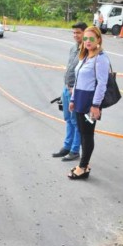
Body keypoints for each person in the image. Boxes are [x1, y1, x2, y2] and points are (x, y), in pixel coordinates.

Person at [67, 26, 109, 180]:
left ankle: (83, 166)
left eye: (92, 38)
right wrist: (73, 99)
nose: (88, 41)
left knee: (87, 135)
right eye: (86, 38)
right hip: (79, 99)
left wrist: (96, 105)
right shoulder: (85, 56)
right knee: (82, 132)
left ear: (98, 39)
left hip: (90, 102)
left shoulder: (101, 58)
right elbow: (78, 80)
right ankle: (85, 164)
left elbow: (102, 84)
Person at [52, 21, 88, 162]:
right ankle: (66, 147)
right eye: (74, 32)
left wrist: (76, 89)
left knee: (75, 121)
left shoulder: (87, 50)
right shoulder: (73, 48)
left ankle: (74, 150)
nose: (75, 35)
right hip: (66, 88)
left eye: (78, 32)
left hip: (77, 91)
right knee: (67, 119)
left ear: (86, 33)